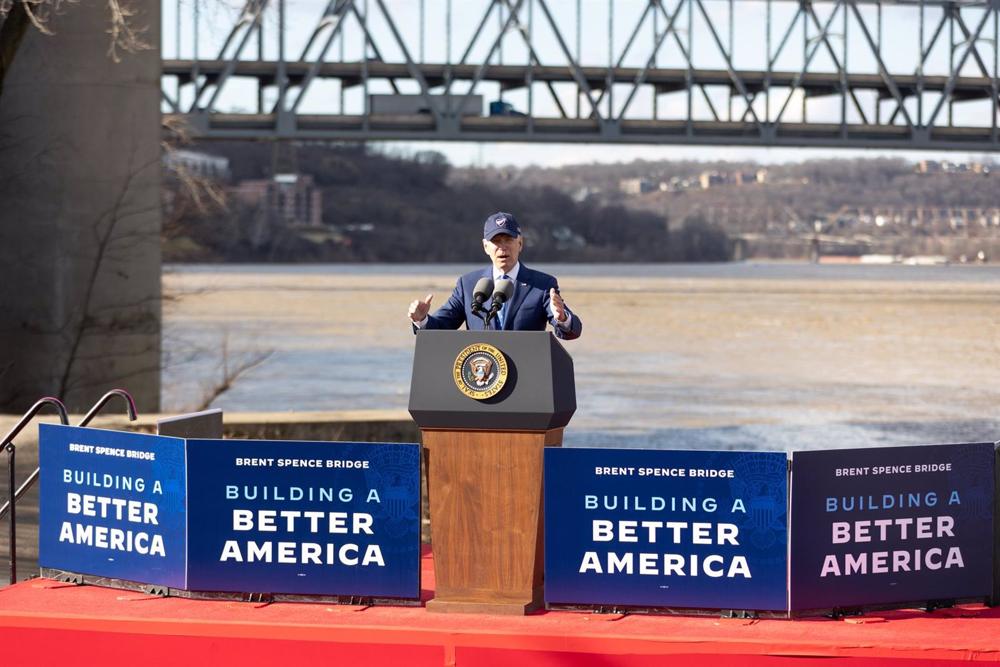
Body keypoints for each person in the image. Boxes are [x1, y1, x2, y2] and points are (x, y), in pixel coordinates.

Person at [408, 212, 582, 340]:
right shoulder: (468, 284)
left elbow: (571, 331)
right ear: (485, 247)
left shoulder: (542, 285)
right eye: (496, 241)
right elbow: (440, 327)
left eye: (508, 240)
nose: (503, 247)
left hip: (525, 373)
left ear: (520, 243)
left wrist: (563, 319)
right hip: (480, 373)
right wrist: (422, 319)